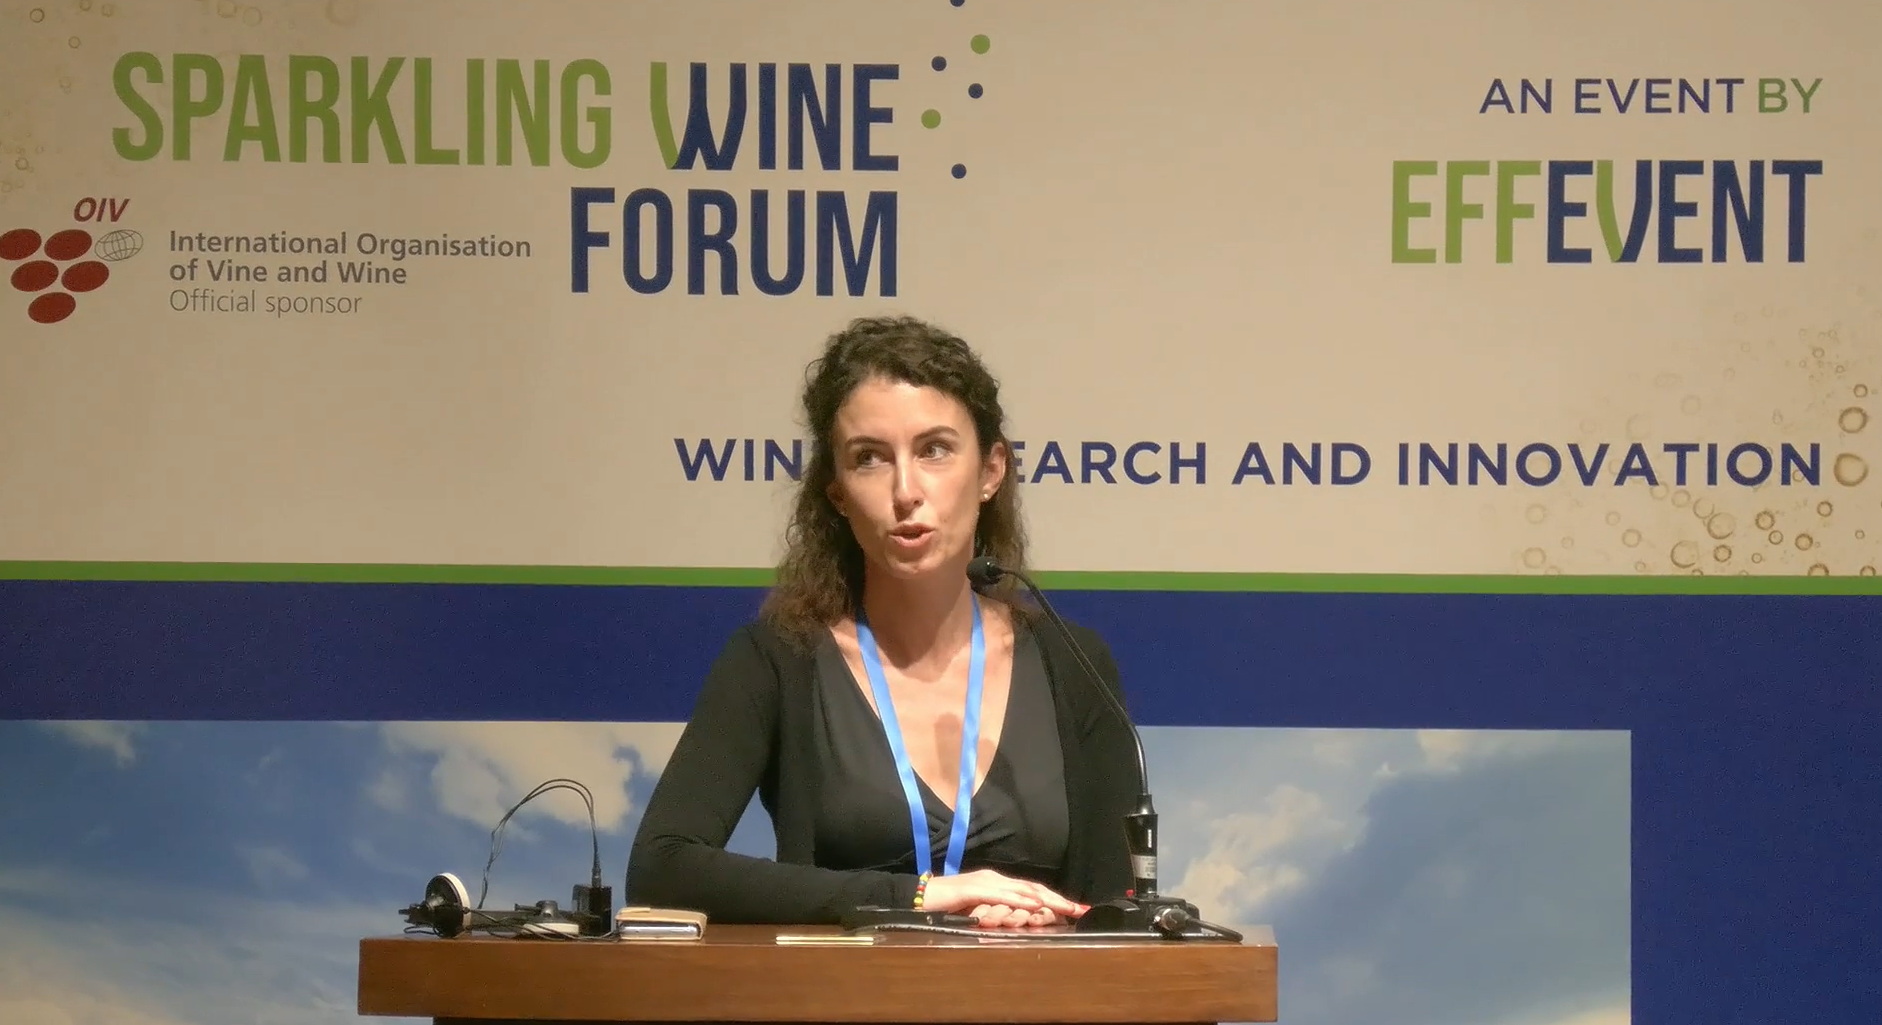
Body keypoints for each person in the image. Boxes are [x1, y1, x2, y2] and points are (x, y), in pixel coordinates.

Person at [625, 314, 1141, 929]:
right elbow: (662, 866)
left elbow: (1118, 906)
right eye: (869, 458)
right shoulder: (777, 658)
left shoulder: (1074, 663)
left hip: (1037, 984)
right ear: (837, 493)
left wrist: (1039, 921)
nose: (905, 491)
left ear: (990, 471)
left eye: (934, 450)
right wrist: (918, 896)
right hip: (843, 986)